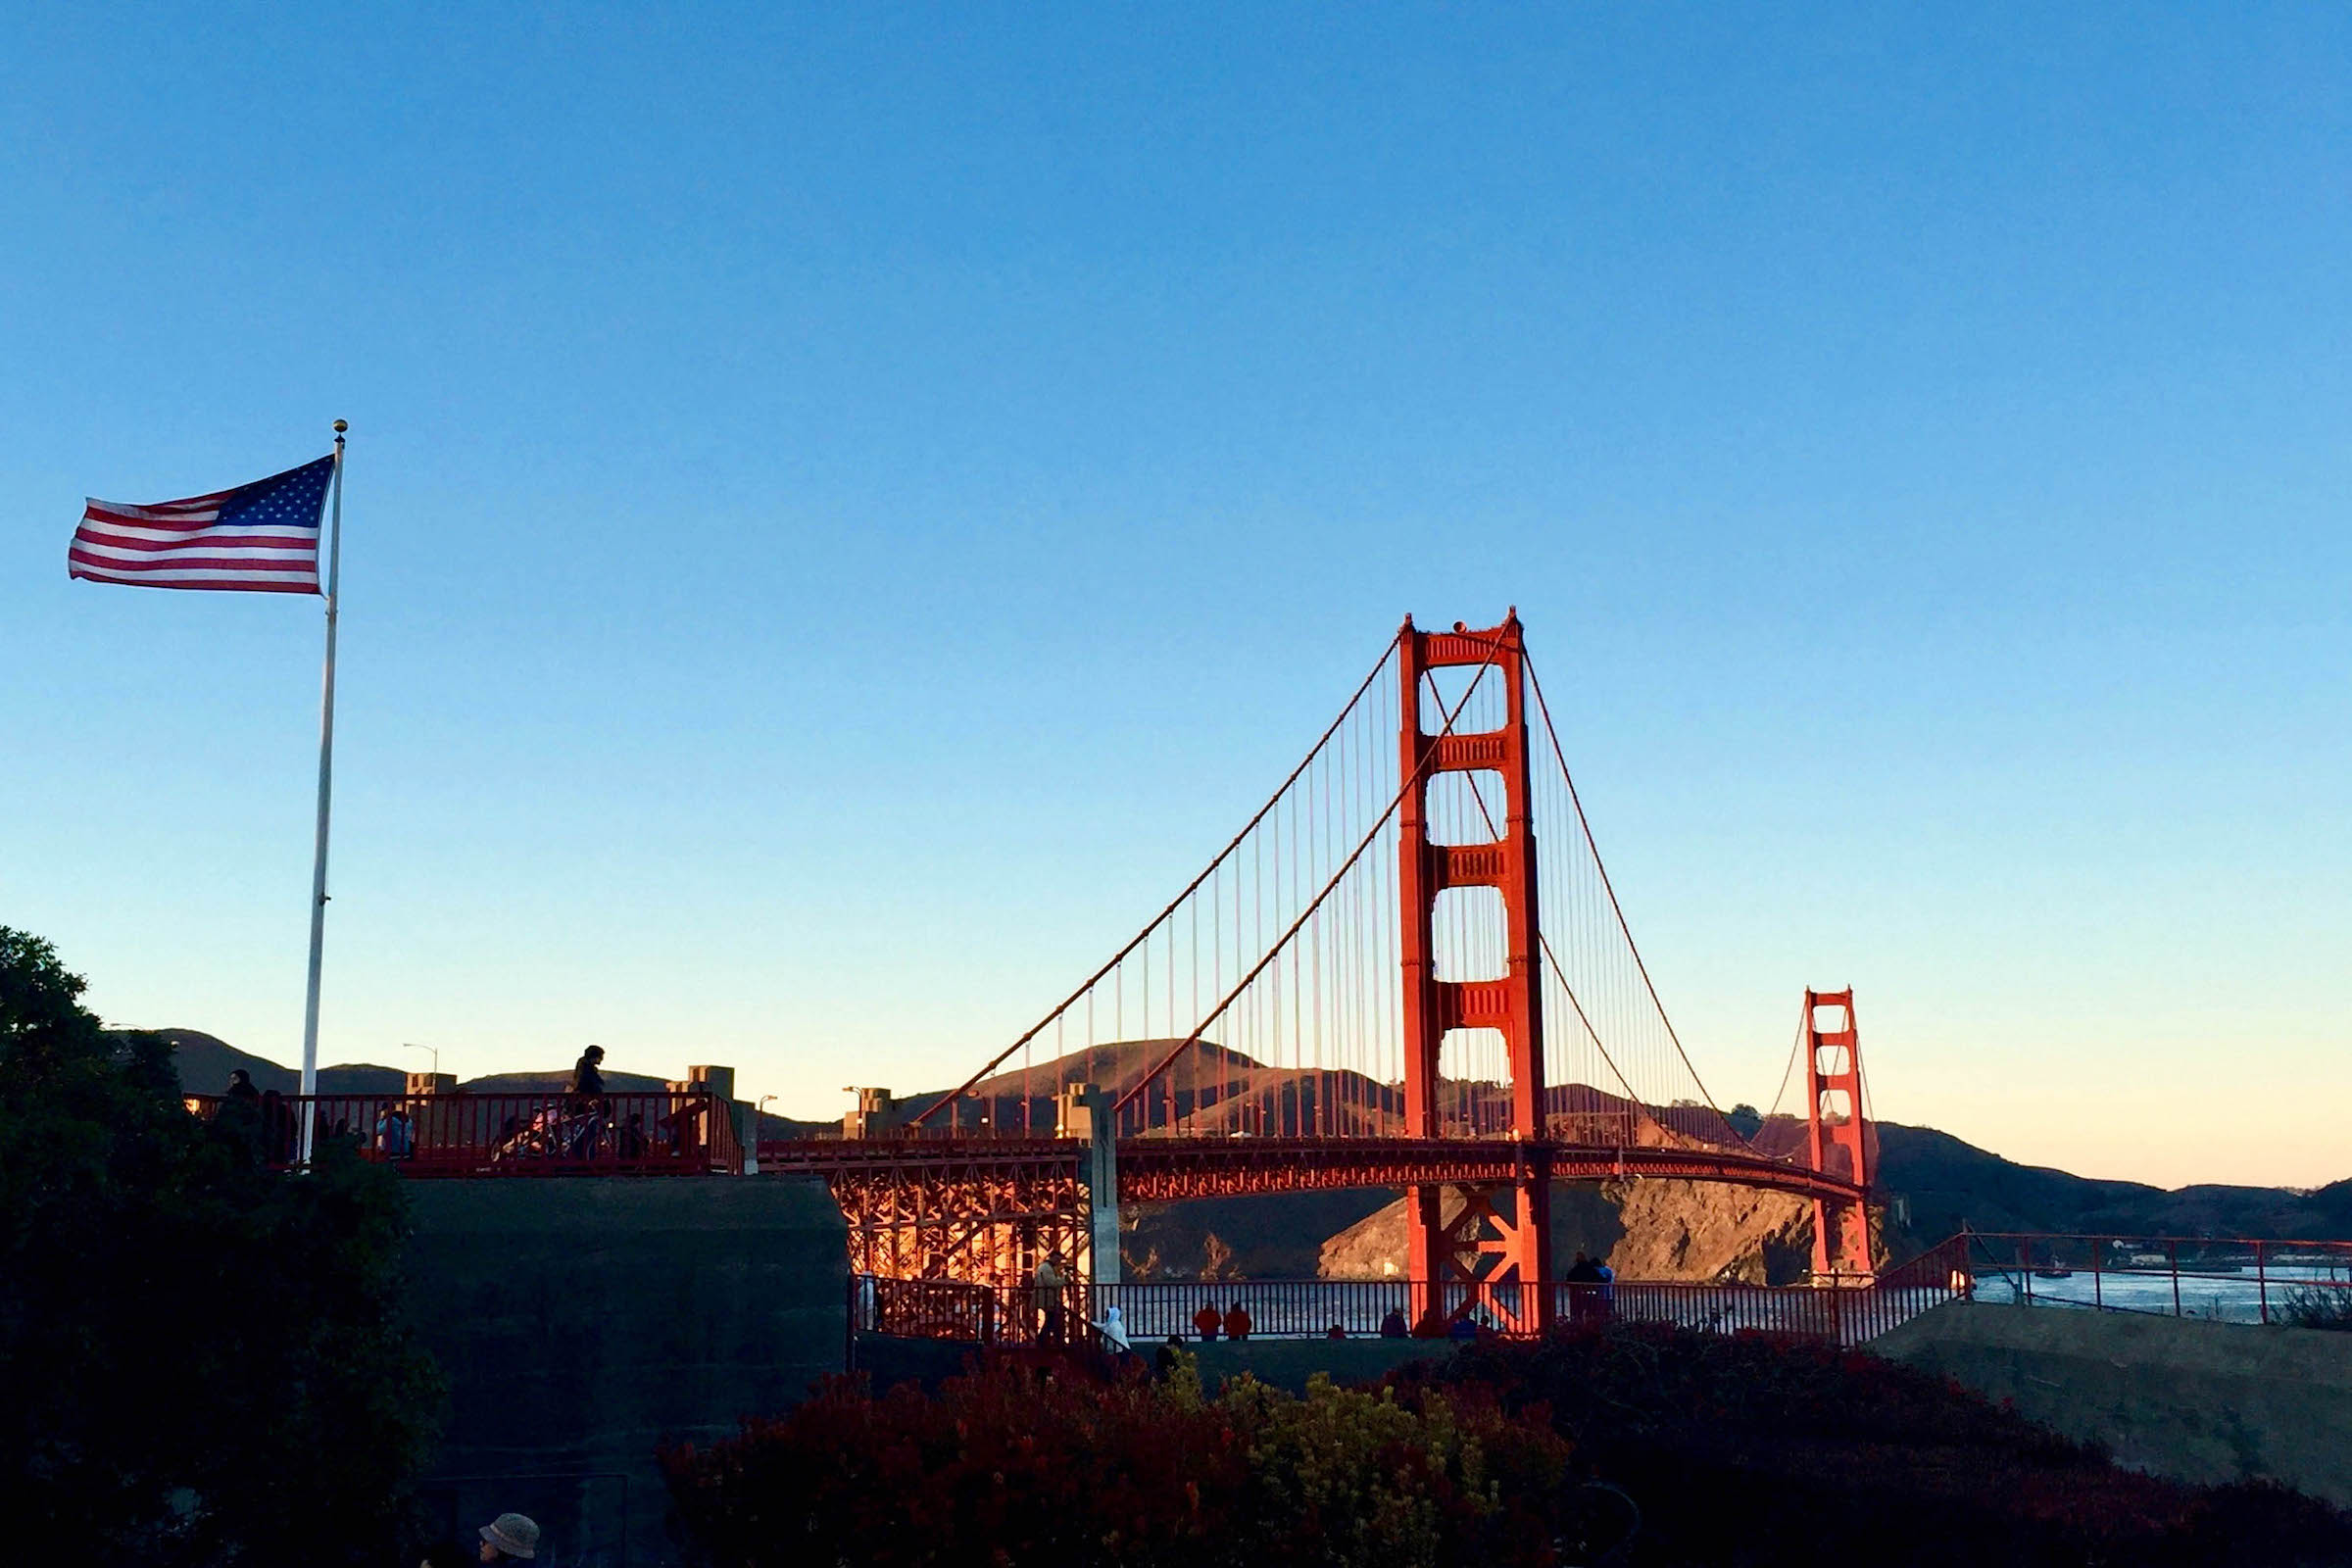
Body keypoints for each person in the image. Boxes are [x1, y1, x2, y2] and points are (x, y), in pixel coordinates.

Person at [1032, 1256, 1067, 1343]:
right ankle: (1045, 1340)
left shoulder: (1045, 1267)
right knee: (1053, 1319)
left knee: (1052, 1319)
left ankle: (1046, 1340)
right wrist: (1064, 1279)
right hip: (1047, 1299)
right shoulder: (1046, 1268)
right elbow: (1052, 1283)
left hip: (1047, 1298)